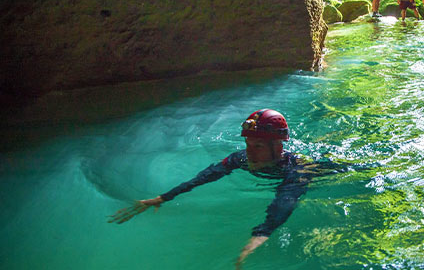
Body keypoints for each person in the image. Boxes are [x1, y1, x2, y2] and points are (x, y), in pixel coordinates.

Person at [108, 109, 349, 268]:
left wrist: (261, 234)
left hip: (332, 170)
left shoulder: (298, 170)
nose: (250, 152)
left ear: (278, 146)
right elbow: (206, 176)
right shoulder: (241, 159)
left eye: (257, 146)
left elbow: (286, 199)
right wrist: (163, 197)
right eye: (247, 144)